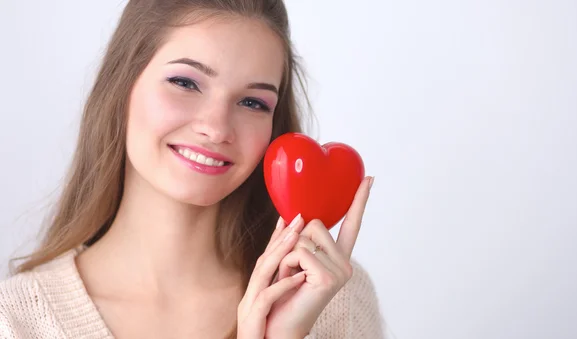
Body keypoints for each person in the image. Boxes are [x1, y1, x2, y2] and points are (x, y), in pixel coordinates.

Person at [0, 0, 384, 338]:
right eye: (185, 82)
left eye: (252, 103)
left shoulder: (331, 301)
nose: (216, 128)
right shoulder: (16, 320)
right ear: (122, 86)